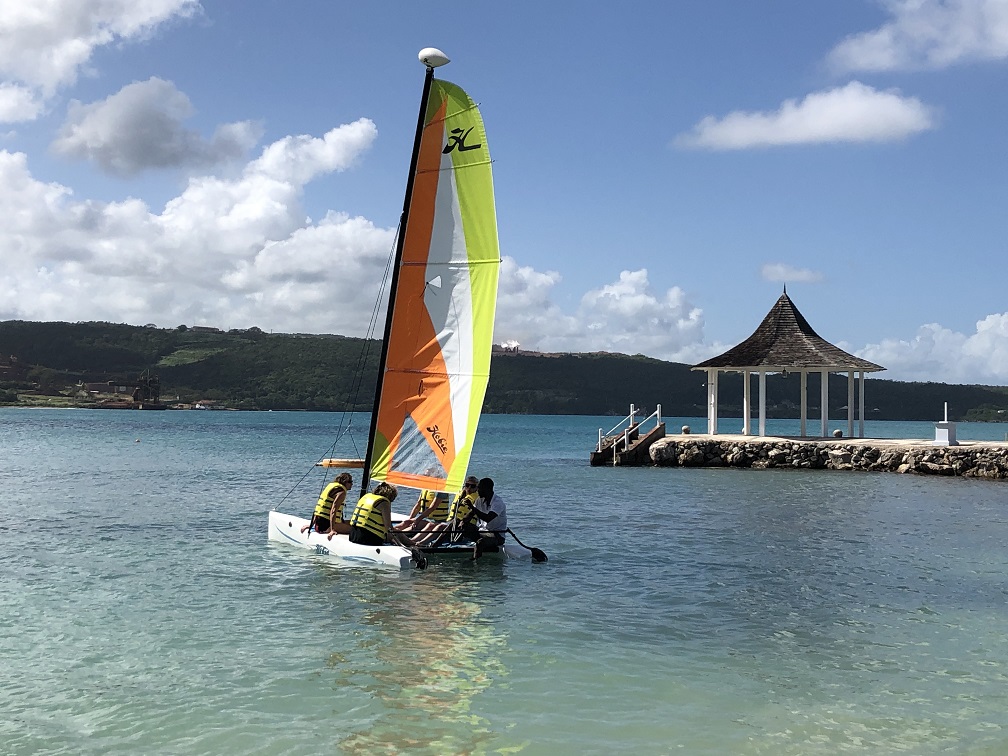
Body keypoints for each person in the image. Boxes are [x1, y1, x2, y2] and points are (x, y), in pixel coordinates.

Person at [407, 475, 481, 547]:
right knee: (431, 525)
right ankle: (412, 541)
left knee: (440, 527)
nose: (469, 488)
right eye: (467, 485)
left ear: (477, 488)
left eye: (473, 486)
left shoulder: (477, 499)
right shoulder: (460, 494)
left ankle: (422, 543)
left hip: (464, 526)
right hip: (451, 522)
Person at [348, 482, 415, 547]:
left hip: (353, 534)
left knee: (396, 530)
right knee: (398, 533)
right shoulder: (384, 503)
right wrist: (398, 539)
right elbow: (388, 528)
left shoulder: (366, 497)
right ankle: (414, 544)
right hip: (367, 539)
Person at [302, 472, 352, 536]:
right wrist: (332, 530)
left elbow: (319, 510)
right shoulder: (341, 492)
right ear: (345, 482)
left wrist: (311, 525)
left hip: (318, 524)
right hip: (326, 526)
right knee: (354, 530)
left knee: (352, 523)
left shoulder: (331, 487)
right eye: (350, 482)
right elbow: (333, 511)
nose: (352, 484)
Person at [469, 477, 507, 559]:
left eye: (479, 488)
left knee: (480, 543)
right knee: (461, 526)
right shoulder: (479, 500)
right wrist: (461, 522)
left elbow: (488, 518)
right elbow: (470, 515)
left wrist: (472, 508)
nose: (477, 490)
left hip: (497, 535)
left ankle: (475, 563)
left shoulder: (497, 502)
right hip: (482, 532)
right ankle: (435, 548)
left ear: (487, 489)